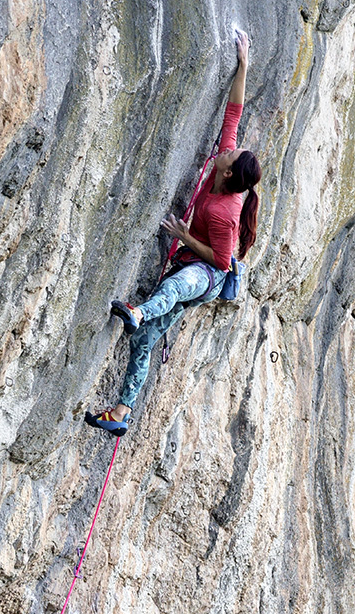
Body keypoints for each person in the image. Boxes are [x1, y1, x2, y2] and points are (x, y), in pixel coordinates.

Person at [85, 31, 261, 437]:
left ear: (229, 172)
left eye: (231, 153)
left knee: (179, 287)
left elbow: (220, 260)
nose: (228, 148)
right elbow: (233, 112)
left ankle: (138, 311)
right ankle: (121, 412)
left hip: (209, 274)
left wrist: (184, 237)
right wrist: (243, 65)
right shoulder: (226, 173)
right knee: (145, 341)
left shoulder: (223, 212)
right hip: (198, 259)